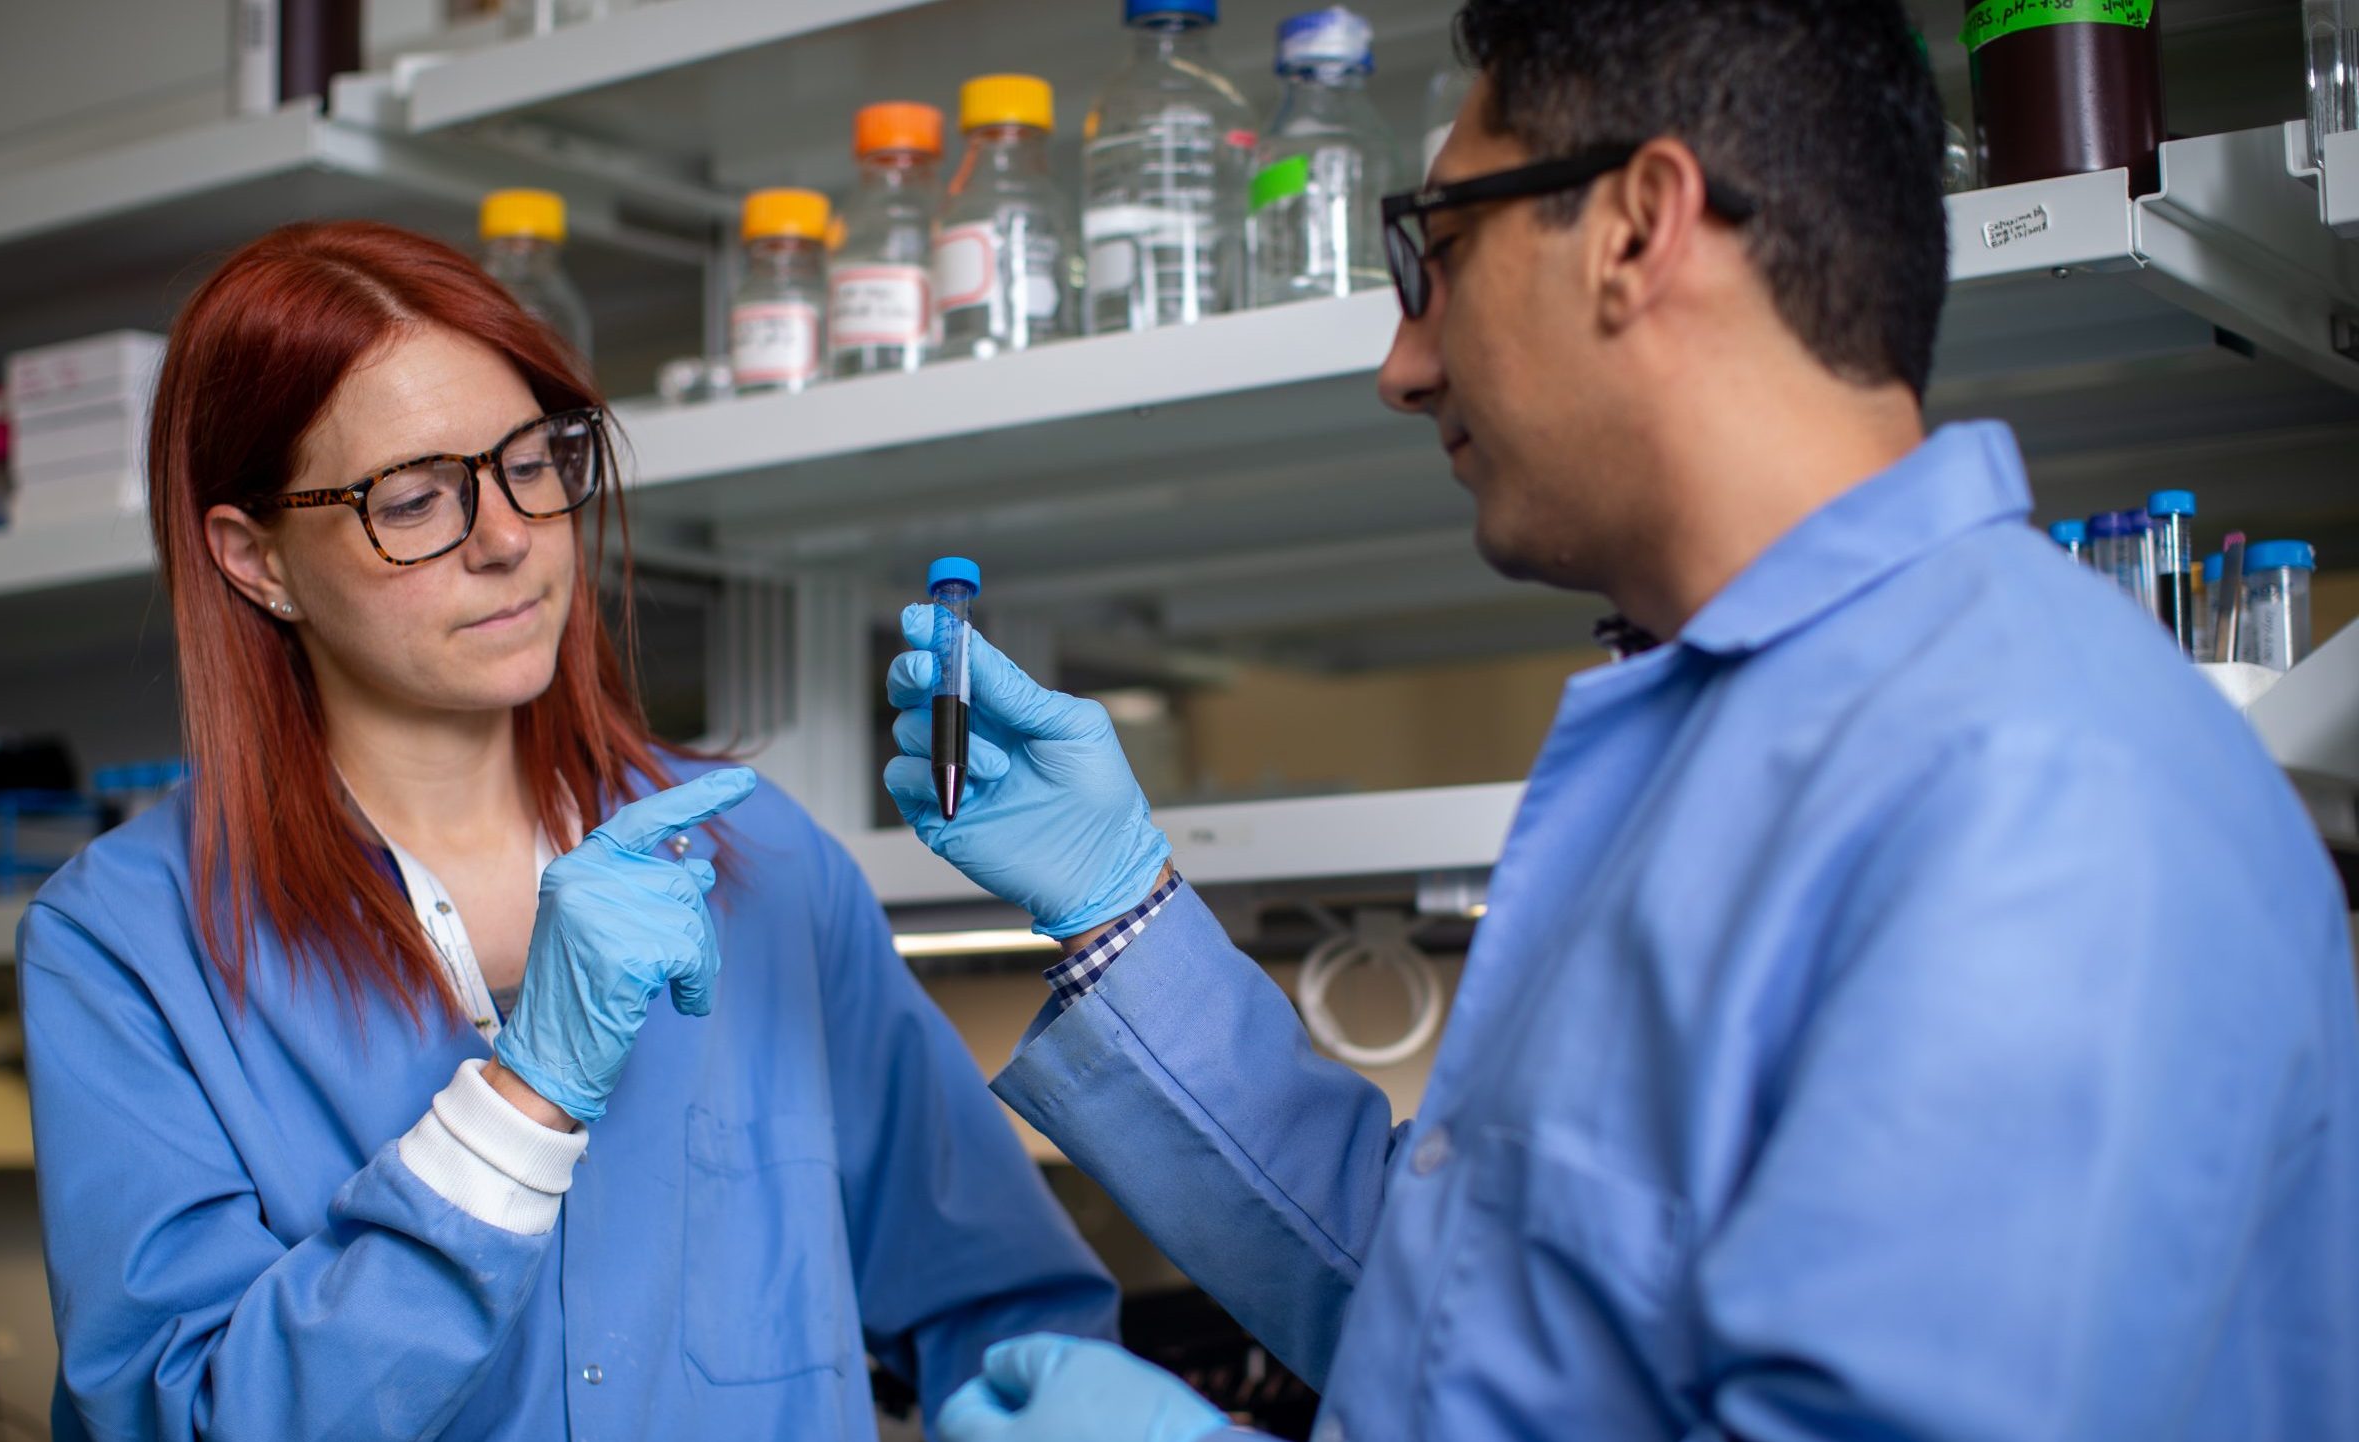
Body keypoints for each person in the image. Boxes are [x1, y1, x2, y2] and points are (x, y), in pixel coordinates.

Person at [884, 2, 2359, 1439]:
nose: (1402, 366)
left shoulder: (2032, 789)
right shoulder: (1755, 736)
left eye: (1438, 251)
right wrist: (1119, 911)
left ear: (1640, 229)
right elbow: (1471, 1322)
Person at [17, 220, 1116, 1442]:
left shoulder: (763, 862)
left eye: (531, 462)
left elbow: (1006, 1316)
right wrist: (518, 1107)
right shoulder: (124, 943)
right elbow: (180, 1418)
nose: (509, 537)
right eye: (415, 499)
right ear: (255, 559)